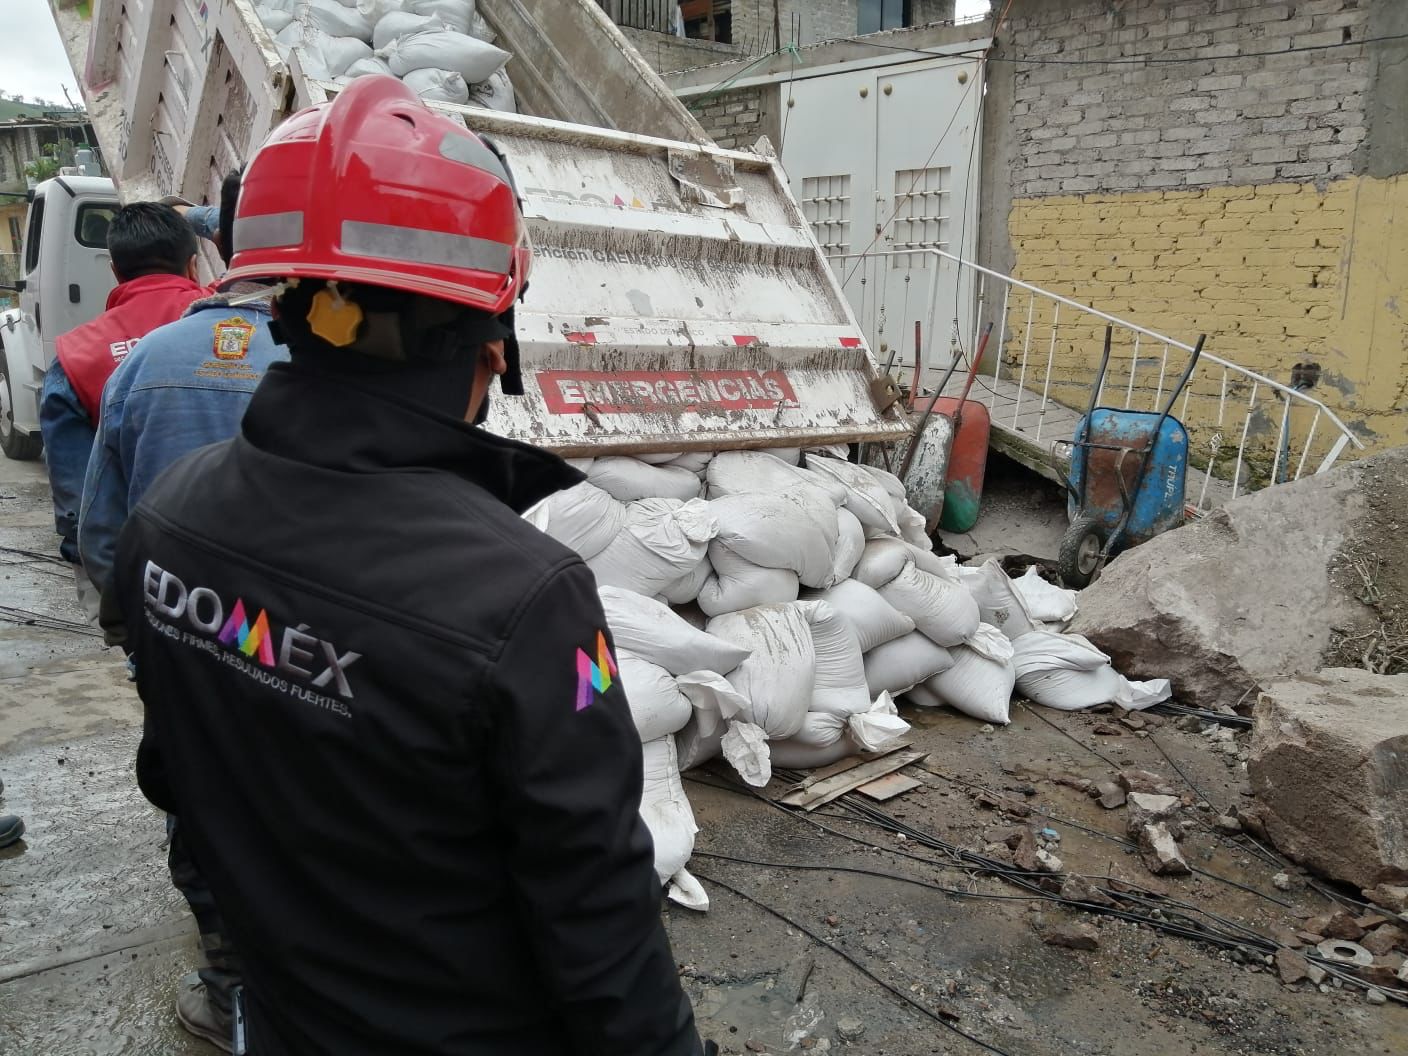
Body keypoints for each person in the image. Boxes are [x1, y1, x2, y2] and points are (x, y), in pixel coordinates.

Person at [110, 76, 709, 1055]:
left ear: (283, 305)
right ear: (492, 339)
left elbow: (171, 777)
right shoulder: (527, 600)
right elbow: (598, 922)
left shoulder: (168, 518)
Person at [79, 169, 283, 1052]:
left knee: (195, 797)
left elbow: (100, 529)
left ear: (219, 247)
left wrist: (134, 635)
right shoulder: (325, 364)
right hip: (302, 647)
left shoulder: (145, 363)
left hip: (176, 633)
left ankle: (229, 981)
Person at [39, 203, 208, 619]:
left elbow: (76, 499)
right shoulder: (249, 328)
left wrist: (109, 592)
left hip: (142, 574)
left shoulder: (75, 358)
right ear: (192, 265)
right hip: (249, 563)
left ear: (115, 270)